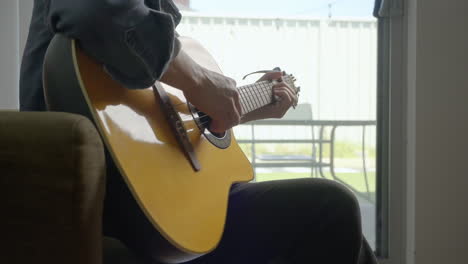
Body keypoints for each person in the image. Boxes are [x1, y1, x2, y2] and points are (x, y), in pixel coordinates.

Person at [20, 0, 378, 263]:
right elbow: (95, 11)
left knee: (346, 233)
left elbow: (163, 121)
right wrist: (199, 81)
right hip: (117, 207)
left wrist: (238, 107)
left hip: (157, 203)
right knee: (331, 209)